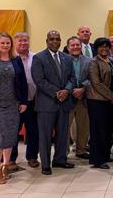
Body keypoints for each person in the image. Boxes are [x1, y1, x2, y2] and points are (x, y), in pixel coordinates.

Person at [31, 30, 76, 175]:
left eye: (57, 39)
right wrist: (58, 92)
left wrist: (67, 91)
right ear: (47, 41)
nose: (55, 42)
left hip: (64, 102)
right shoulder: (39, 58)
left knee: (63, 134)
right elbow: (39, 80)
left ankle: (60, 160)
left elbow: (73, 79)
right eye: (52, 39)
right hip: (46, 103)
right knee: (45, 136)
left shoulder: (67, 58)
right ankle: (45, 164)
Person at [0, 32, 28, 184]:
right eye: (2, 43)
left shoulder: (16, 60)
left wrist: (23, 102)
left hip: (13, 104)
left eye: (8, 43)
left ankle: (6, 166)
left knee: (10, 135)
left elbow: (23, 82)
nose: (5, 45)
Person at [87, 37, 113, 169]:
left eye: (107, 46)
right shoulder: (94, 62)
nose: (104, 48)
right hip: (97, 101)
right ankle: (98, 159)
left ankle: (105, 155)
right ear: (96, 48)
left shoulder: (111, 60)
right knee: (98, 130)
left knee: (107, 130)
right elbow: (96, 83)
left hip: (110, 100)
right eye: (101, 46)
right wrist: (110, 95)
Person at [10, 32, 39, 170]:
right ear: (15, 43)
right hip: (16, 102)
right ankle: (11, 159)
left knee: (34, 130)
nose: (23, 43)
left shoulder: (36, 57)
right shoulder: (11, 58)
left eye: (25, 41)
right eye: (20, 41)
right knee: (14, 131)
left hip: (33, 100)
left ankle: (32, 157)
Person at [67, 36, 90, 159]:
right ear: (68, 47)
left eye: (77, 45)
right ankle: (63, 152)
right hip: (68, 98)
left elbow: (92, 78)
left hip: (83, 98)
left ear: (81, 47)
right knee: (65, 127)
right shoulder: (64, 60)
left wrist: (83, 88)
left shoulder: (88, 61)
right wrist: (71, 90)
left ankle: (81, 150)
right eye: (73, 45)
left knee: (83, 126)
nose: (75, 47)